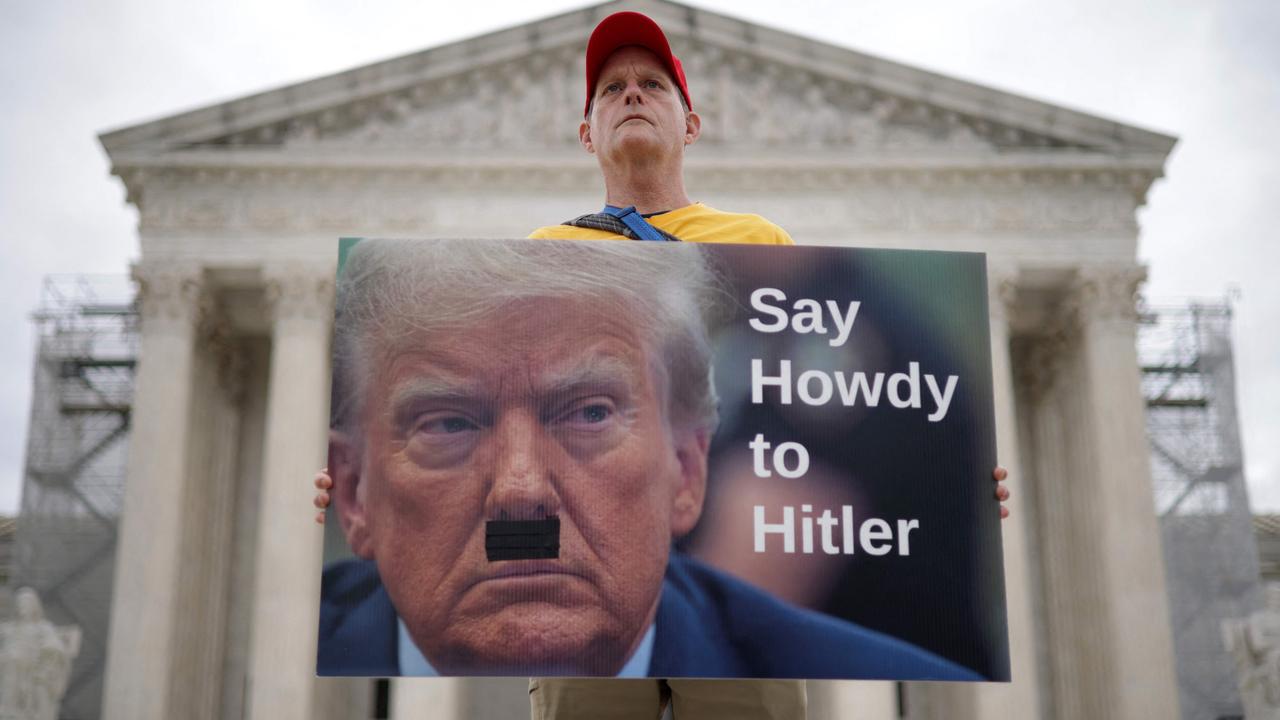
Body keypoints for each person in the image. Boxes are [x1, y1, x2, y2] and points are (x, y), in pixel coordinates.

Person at [314, 11, 1011, 720]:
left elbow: (762, 558)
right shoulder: (551, 250)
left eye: (653, 84)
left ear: (692, 124)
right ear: (587, 133)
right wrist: (332, 491)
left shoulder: (783, 285)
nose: (633, 95)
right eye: (611, 88)